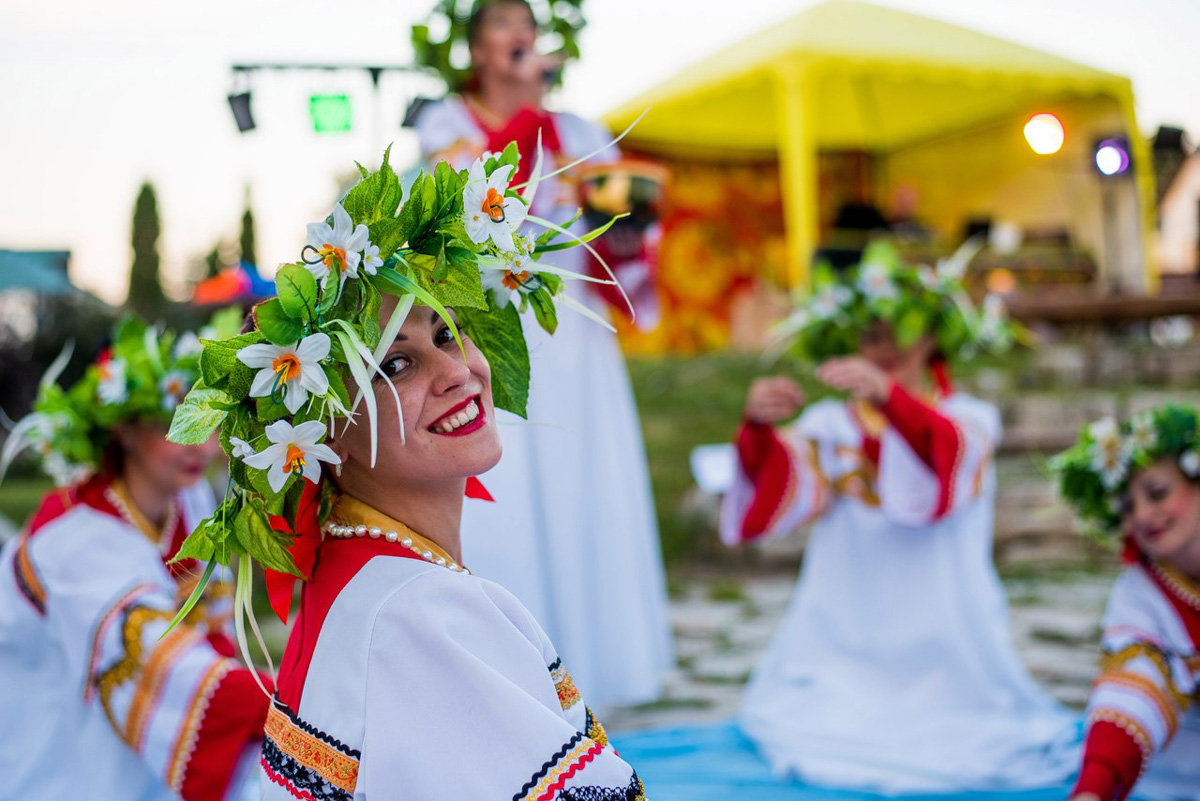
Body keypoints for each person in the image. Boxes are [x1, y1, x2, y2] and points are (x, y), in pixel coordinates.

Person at [166, 153, 644, 798]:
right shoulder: (419, 611)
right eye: (395, 366)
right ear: (322, 432)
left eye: (447, 334)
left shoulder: (361, 576)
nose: (455, 374)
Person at [720, 242, 1079, 792]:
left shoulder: (969, 418)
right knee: (817, 724)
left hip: (948, 645)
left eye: (899, 331)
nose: (883, 347)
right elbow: (781, 494)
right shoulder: (829, 424)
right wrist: (755, 429)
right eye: (869, 334)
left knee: (968, 735)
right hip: (845, 634)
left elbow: (943, 464)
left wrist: (892, 399)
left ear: (932, 335)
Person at [411, 0, 672, 710]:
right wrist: (530, 113)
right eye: (500, 22)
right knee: (512, 479)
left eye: (527, 21)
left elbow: (612, 230)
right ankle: (510, 671)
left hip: (573, 330)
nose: (520, 34)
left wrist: (629, 226)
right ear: (474, 47)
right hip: (493, 326)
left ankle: (594, 667)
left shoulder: (583, 132)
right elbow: (466, 209)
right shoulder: (446, 126)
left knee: (579, 472)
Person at [0, 315, 269, 801]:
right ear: (124, 430)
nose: (202, 445)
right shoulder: (72, 541)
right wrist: (291, 702)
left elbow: (212, 637)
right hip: (60, 757)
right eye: (172, 423)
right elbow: (171, 673)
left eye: (208, 419)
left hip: (138, 750)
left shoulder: (188, 502)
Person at [1052, 406, 1200, 801]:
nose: (1143, 515)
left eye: (1157, 493)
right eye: (1128, 507)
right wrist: (1092, 792)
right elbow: (1132, 691)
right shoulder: (1142, 594)